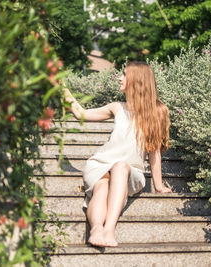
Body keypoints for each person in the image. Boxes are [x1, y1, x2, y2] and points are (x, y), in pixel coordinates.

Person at [63, 61, 172, 248]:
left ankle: (109, 229)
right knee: (102, 187)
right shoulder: (117, 107)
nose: (119, 78)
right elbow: (80, 114)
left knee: (120, 166)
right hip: (100, 165)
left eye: (124, 74)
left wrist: (159, 186)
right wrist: (61, 88)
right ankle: (97, 228)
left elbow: (154, 152)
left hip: (131, 172)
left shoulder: (157, 112)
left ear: (137, 80)